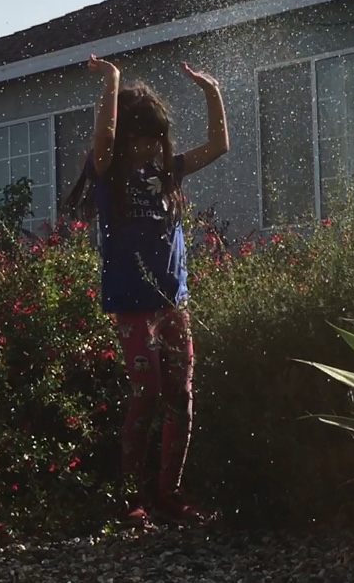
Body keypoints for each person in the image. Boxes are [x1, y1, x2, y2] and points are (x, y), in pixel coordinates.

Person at [64, 53, 229, 525]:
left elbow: (219, 144)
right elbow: (107, 138)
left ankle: (170, 494)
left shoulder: (167, 173)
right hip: (133, 308)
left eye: (154, 138)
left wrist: (211, 91)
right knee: (148, 391)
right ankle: (129, 495)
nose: (145, 147)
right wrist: (113, 81)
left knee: (182, 395)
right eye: (139, 137)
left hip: (174, 304)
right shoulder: (107, 174)